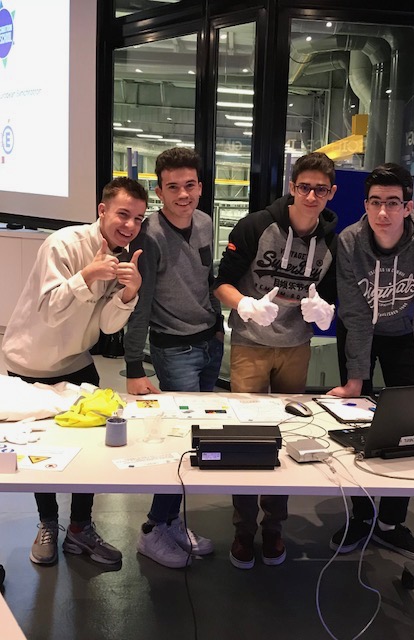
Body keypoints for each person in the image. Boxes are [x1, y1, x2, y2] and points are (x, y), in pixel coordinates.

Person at [2, 177, 148, 566]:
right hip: (30, 363)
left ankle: (81, 528)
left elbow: (107, 326)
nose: (130, 225)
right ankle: (48, 522)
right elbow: (50, 311)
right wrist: (88, 275)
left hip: (78, 362)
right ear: (102, 210)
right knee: (40, 452)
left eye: (138, 218)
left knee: (89, 449)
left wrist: (129, 293)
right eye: (123, 214)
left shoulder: (121, 256)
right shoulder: (63, 244)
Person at [214, 151, 338, 569]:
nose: (311, 196)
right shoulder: (256, 226)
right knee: (246, 436)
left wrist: (326, 311)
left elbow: (330, 296)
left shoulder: (333, 240)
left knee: (289, 435)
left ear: (331, 193)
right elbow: (221, 282)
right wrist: (244, 304)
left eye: (320, 190)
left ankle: (274, 527)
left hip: (296, 346)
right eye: (304, 187)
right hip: (251, 342)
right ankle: (243, 529)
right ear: (292, 187)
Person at [328, 162, 414, 563]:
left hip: (406, 335)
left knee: (410, 426)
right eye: (376, 202)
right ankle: (361, 515)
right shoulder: (349, 241)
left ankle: (391, 523)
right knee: (355, 419)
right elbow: (356, 314)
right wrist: (355, 379)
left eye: (393, 203)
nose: (383, 211)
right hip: (360, 330)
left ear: (408, 207)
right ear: (365, 204)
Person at [124, 147, 223, 569]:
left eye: (190, 185)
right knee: (181, 441)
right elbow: (141, 303)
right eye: (173, 187)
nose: (184, 195)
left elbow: (205, 278)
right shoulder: (149, 235)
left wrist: (221, 320)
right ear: (159, 190)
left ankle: (169, 521)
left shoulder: (205, 221)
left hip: (210, 342)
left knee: (197, 438)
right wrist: (133, 365)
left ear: (200, 186)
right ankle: (152, 529)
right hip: (174, 348)